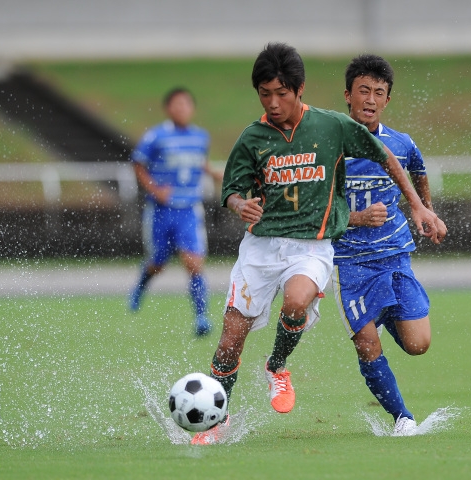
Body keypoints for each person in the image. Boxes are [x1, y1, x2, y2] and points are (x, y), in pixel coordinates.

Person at [191, 43, 444, 445]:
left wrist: (421, 208)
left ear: (300, 89)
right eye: (265, 94)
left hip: (315, 246)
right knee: (229, 343)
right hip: (267, 249)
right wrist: (241, 205)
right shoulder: (252, 138)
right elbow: (230, 190)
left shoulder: (331, 128)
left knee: (300, 304)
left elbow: (395, 160)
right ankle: (214, 421)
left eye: (281, 93)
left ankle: (277, 366)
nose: (273, 103)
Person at [330, 54, 446, 437]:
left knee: (418, 344)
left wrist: (425, 212)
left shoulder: (401, 143)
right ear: (348, 95)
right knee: (367, 343)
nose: (371, 99)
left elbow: (418, 170)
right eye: (364, 90)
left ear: (387, 100)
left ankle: (379, 319)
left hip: (394, 255)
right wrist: (356, 218)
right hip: (349, 262)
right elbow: (315, 209)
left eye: (379, 93)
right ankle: (403, 418)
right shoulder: (328, 146)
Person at [128, 87, 223, 336]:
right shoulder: (156, 136)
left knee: (194, 262)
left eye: (186, 104)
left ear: (192, 108)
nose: (182, 109)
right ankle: (141, 283)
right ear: (168, 108)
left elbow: (199, 162)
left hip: (189, 210)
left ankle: (201, 317)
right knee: (158, 263)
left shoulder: (200, 137)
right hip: (161, 211)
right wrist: (155, 189)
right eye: (177, 104)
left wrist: (213, 173)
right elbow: (138, 163)